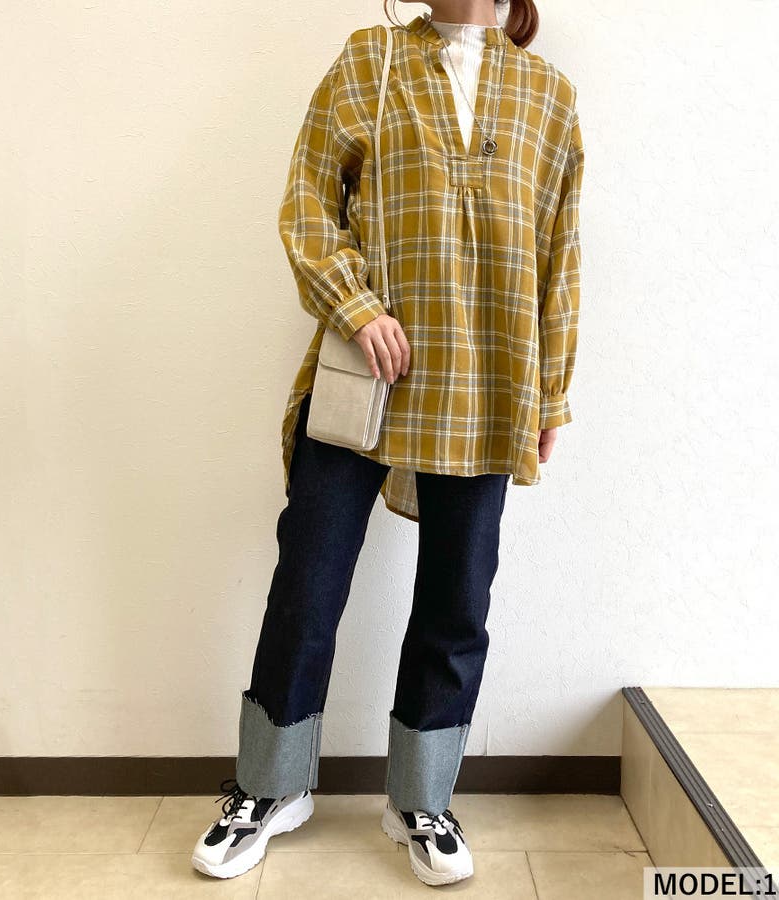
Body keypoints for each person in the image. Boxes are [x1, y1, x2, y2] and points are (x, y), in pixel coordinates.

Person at [192, 0, 584, 886]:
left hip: (487, 379)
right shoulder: (369, 61)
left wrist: (551, 392)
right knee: (308, 582)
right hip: (363, 376)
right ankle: (270, 786)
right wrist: (355, 306)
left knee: (458, 597)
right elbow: (307, 203)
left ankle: (421, 800)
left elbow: (560, 254)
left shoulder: (549, 96)